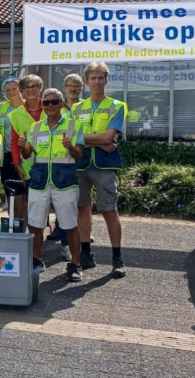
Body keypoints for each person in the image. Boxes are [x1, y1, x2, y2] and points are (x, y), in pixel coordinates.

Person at [71, 62, 127, 278]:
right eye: (93, 78)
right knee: (82, 209)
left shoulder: (117, 105)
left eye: (100, 78)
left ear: (106, 80)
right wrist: (101, 141)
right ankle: (86, 255)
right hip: (81, 163)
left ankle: (117, 258)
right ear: (86, 82)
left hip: (105, 164)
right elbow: (73, 138)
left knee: (109, 210)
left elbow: (107, 137)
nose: (97, 82)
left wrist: (96, 140)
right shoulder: (76, 108)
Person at [22, 88, 84, 281]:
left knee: (70, 225)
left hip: (64, 182)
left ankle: (75, 264)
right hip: (39, 182)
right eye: (46, 103)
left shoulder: (74, 125)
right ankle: (37, 259)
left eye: (54, 102)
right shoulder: (35, 127)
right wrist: (23, 146)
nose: (49, 106)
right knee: (35, 223)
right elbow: (27, 155)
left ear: (61, 103)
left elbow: (79, 155)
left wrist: (70, 147)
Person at [49, 73, 86, 260]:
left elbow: (88, 134)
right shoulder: (56, 107)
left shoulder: (85, 107)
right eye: (70, 86)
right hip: (58, 165)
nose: (73, 89)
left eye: (76, 86)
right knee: (60, 202)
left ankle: (79, 235)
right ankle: (59, 229)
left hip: (81, 158)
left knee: (79, 203)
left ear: (81, 89)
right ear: (64, 89)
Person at [10, 75, 46, 220]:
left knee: (56, 202)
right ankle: (36, 235)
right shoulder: (16, 114)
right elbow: (14, 142)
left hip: (53, 162)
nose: (31, 90)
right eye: (27, 87)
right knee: (34, 201)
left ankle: (58, 233)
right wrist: (17, 165)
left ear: (40, 88)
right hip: (29, 165)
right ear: (22, 92)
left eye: (34, 86)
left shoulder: (52, 106)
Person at [0, 77, 23, 216]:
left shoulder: (28, 106)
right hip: (7, 155)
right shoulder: (2, 108)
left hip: (26, 155)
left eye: (14, 88)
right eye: (8, 90)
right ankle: (13, 222)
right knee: (10, 190)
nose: (11, 92)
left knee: (25, 191)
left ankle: (27, 224)